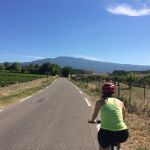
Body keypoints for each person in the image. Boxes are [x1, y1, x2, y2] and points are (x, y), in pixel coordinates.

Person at [89, 82, 128, 150]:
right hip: (123, 133)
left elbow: (95, 115)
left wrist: (92, 121)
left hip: (106, 133)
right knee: (117, 140)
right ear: (113, 92)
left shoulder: (99, 102)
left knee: (102, 146)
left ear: (103, 91)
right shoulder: (120, 102)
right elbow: (123, 117)